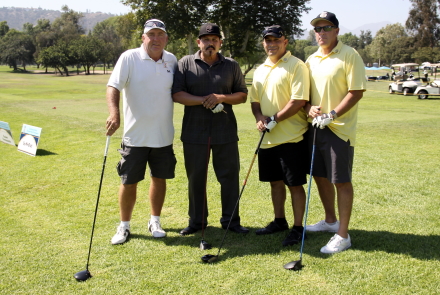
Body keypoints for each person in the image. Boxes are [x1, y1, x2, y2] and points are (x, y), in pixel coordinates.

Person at [172, 23, 249, 235]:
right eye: (206, 40)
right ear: (199, 42)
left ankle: (231, 221)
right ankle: (197, 222)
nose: (210, 43)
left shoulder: (231, 65)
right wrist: (203, 100)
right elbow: (177, 94)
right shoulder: (185, 63)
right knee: (196, 178)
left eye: (215, 40)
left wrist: (221, 97)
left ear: (220, 43)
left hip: (225, 132)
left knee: (230, 177)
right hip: (194, 132)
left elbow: (242, 95)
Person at [106, 19, 178, 244]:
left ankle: (154, 221)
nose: (155, 39)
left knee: (160, 178)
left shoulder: (172, 60)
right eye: (151, 34)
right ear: (143, 38)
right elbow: (113, 86)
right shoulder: (129, 57)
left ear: (166, 38)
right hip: (135, 135)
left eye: (160, 34)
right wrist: (114, 113)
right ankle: (124, 226)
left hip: (163, 135)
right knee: (129, 181)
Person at [304, 11, 366, 254]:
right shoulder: (310, 59)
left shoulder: (349, 55)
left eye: (326, 27)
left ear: (337, 31)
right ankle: (331, 221)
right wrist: (309, 108)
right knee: (319, 176)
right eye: (317, 29)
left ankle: (343, 235)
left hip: (338, 129)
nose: (321, 33)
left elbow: (356, 91)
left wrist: (332, 115)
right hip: (314, 129)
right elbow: (305, 95)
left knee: (341, 180)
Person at [249, 25, 310, 246]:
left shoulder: (296, 65)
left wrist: (273, 119)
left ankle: (298, 227)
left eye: (276, 40)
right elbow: (255, 102)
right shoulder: (260, 69)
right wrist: (259, 118)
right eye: (268, 40)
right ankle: (279, 221)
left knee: (294, 184)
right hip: (268, 138)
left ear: (285, 42)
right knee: (275, 182)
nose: (271, 44)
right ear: (264, 43)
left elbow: (298, 101)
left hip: (292, 137)